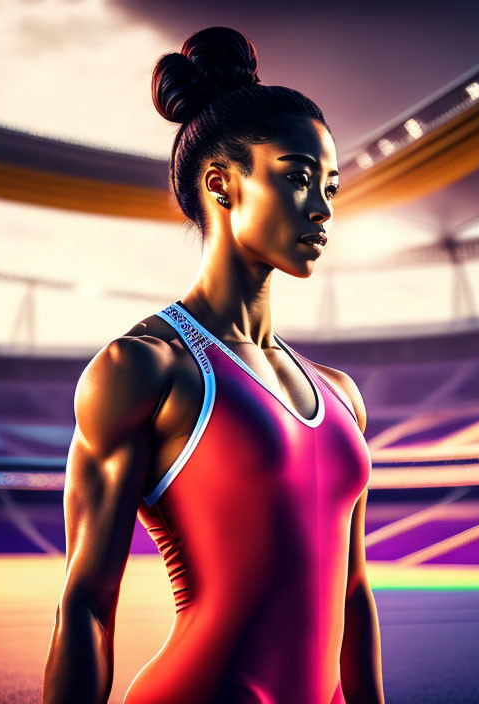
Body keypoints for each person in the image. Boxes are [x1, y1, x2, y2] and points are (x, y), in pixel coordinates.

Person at [42, 26, 384, 704]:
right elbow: (85, 606)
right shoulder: (142, 370)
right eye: (296, 178)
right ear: (220, 184)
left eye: (332, 188)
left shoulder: (343, 397)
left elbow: (354, 597)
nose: (321, 208)